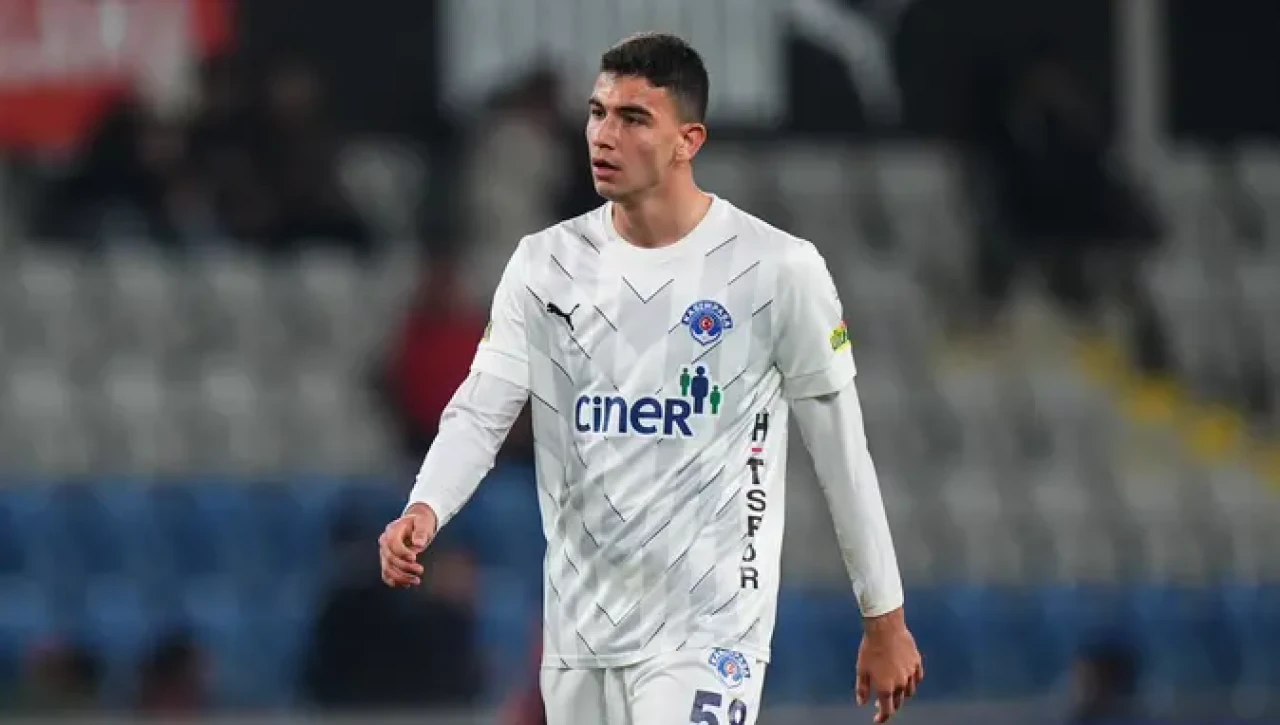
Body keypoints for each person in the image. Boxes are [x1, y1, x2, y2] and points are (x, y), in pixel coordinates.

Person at [379, 32, 923, 724]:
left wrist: (884, 616)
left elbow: (840, 448)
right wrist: (426, 506)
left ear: (687, 140)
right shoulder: (545, 264)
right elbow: (482, 409)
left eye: (633, 118)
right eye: (597, 113)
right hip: (582, 629)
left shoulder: (778, 270)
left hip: (710, 625)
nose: (605, 135)